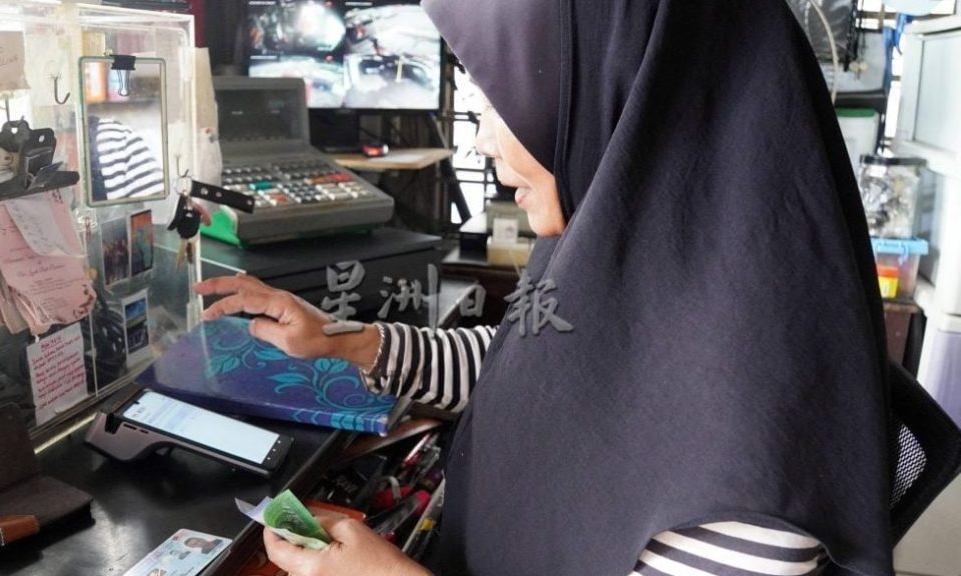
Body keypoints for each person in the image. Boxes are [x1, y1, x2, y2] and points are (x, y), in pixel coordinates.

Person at [195, 0, 897, 574]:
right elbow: (530, 368)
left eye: (496, 103)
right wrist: (343, 340)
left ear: (618, 88)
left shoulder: (747, 474)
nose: (481, 141)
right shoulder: (644, 260)